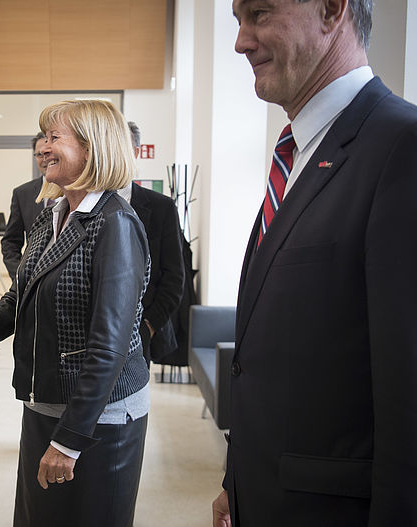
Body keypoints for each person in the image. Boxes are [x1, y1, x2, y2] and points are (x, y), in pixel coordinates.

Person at [213, 1, 417, 526]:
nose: (241, 41)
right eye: (238, 20)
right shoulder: (300, 152)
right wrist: (236, 482)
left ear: (331, 10)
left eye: (259, 13)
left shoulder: (402, 147)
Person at [0, 99, 151, 527]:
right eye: (44, 138)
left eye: (54, 138)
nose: (42, 148)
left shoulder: (115, 224)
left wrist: (69, 440)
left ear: (91, 148)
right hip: (45, 401)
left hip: (97, 420)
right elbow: (21, 293)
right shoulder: (52, 213)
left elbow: (109, 347)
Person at [117, 121, 185, 365]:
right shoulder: (87, 204)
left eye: (121, 145)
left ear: (135, 152)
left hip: (140, 330)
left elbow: (174, 277)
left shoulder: (161, 207)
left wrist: (149, 326)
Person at [1, 132, 49, 280]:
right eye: (39, 155)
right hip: (32, 280)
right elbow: (10, 242)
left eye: (48, 153)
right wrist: (19, 276)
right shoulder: (22, 194)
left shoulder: (75, 190)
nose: (45, 159)